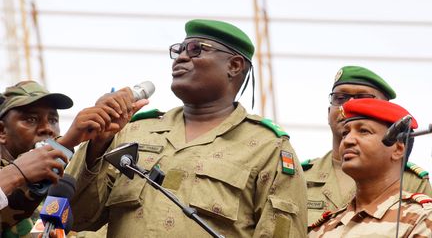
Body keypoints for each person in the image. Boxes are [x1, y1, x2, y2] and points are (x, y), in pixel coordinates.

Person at [66, 19, 307, 237]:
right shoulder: (133, 131)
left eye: (196, 50)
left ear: (234, 65)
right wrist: (97, 146)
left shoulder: (269, 148)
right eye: (178, 50)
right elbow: (77, 218)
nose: (181, 57)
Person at [301, 66, 432, 226]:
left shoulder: (410, 180)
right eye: (340, 98)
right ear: (329, 112)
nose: (347, 106)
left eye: (363, 99)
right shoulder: (301, 177)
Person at [0, 81, 114, 238]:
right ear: (2, 131)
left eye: (53, 120)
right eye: (31, 119)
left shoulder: (59, 190)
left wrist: (98, 144)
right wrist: (66, 143)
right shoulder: (9, 182)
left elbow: (87, 221)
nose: (47, 128)